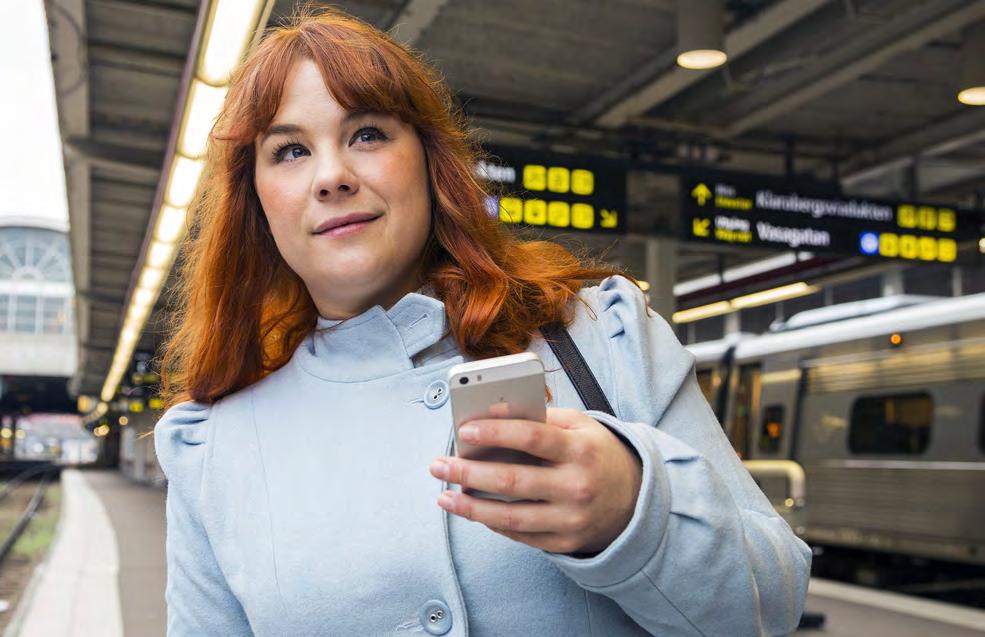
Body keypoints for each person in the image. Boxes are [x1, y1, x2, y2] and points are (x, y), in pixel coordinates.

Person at [155, 8, 811, 636]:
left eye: (367, 134)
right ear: (257, 202)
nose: (331, 176)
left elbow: (771, 603)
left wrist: (632, 510)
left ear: (429, 164)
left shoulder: (600, 334)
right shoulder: (212, 447)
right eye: (290, 151)